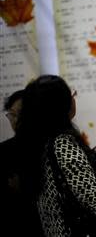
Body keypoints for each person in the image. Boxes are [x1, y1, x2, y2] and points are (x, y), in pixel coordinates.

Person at [15, 75, 96, 237]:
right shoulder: (63, 145)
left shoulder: (35, 144)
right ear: (61, 105)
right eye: (71, 94)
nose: (74, 98)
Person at [1, 89, 45, 236]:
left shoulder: (51, 147)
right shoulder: (4, 151)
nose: (15, 120)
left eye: (20, 114)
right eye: (11, 114)